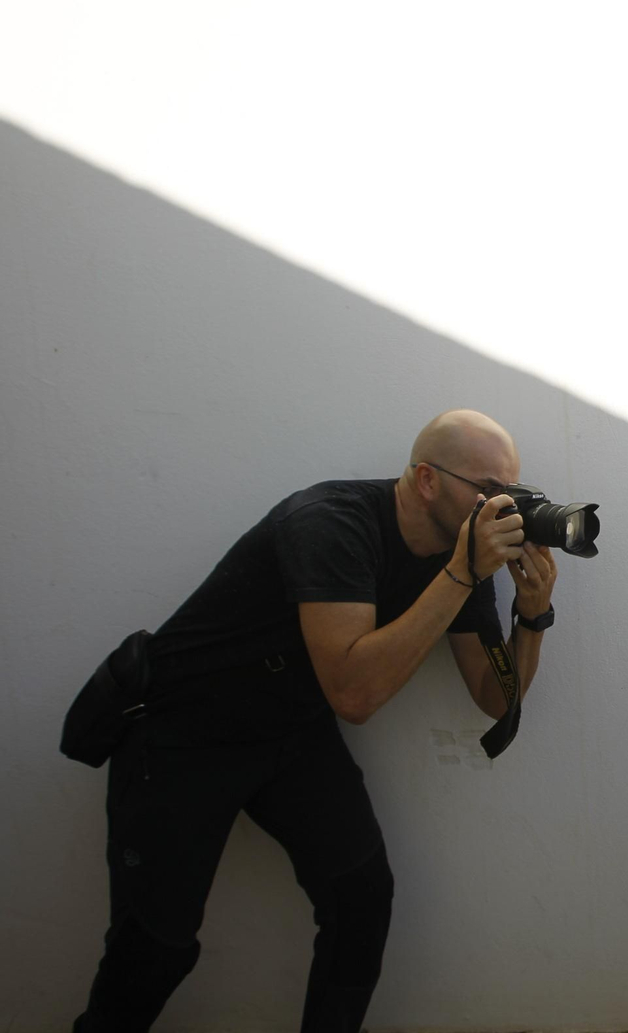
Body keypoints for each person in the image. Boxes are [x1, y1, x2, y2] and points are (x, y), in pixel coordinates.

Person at [74, 409, 558, 1032]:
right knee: (157, 948)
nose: (504, 510)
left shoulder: (463, 555)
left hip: (288, 732)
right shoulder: (332, 523)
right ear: (427, 480)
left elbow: (495, 696)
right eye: (489, 491)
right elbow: (354, 695)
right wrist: (462, 572)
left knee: (361, 902)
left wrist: (533, 614)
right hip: (181, 732)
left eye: (512, 493)